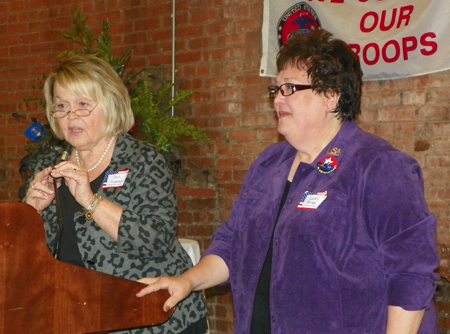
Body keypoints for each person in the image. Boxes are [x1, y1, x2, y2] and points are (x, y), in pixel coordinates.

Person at [136, 30, 440, 333]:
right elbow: (232, 242)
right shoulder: (269, 163)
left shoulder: (378, 166)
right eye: (276, 89)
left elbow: (410, 274)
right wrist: (185, 281)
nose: (278, 99)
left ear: (331, 96)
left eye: (290, 88)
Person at [23, 55, 208, 334]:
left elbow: (155, 241)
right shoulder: (48, 165)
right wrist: (30, 212)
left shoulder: (143, 160)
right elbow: (31, 260)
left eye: (82, 105)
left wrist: (90, 200)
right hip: (81, 317)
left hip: (153, 318)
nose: (70, 116)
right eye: (62, 106)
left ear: (109, 105)